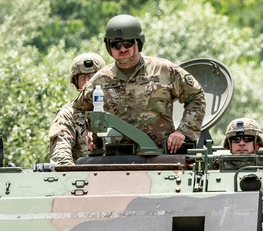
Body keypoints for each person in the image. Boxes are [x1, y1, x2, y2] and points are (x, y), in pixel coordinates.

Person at [74, 14, 205, 154]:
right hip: (115, 160)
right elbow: (78, 109)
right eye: (116, 44)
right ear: (108, 47)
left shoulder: (164, 70)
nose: (122, 49)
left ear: (139, 43)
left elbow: (196, 96)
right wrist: (86, 133)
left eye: (128, 43)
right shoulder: (100, 79)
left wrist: (183, 131)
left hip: (160, 157)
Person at [49, 53, 106, 165]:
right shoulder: (68, 114)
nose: (87, 82)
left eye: (91, 77)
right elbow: (60, 154)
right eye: (82, 77)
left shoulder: (115, 109)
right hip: (85, 177)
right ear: (76, 83)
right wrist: (71, 176)